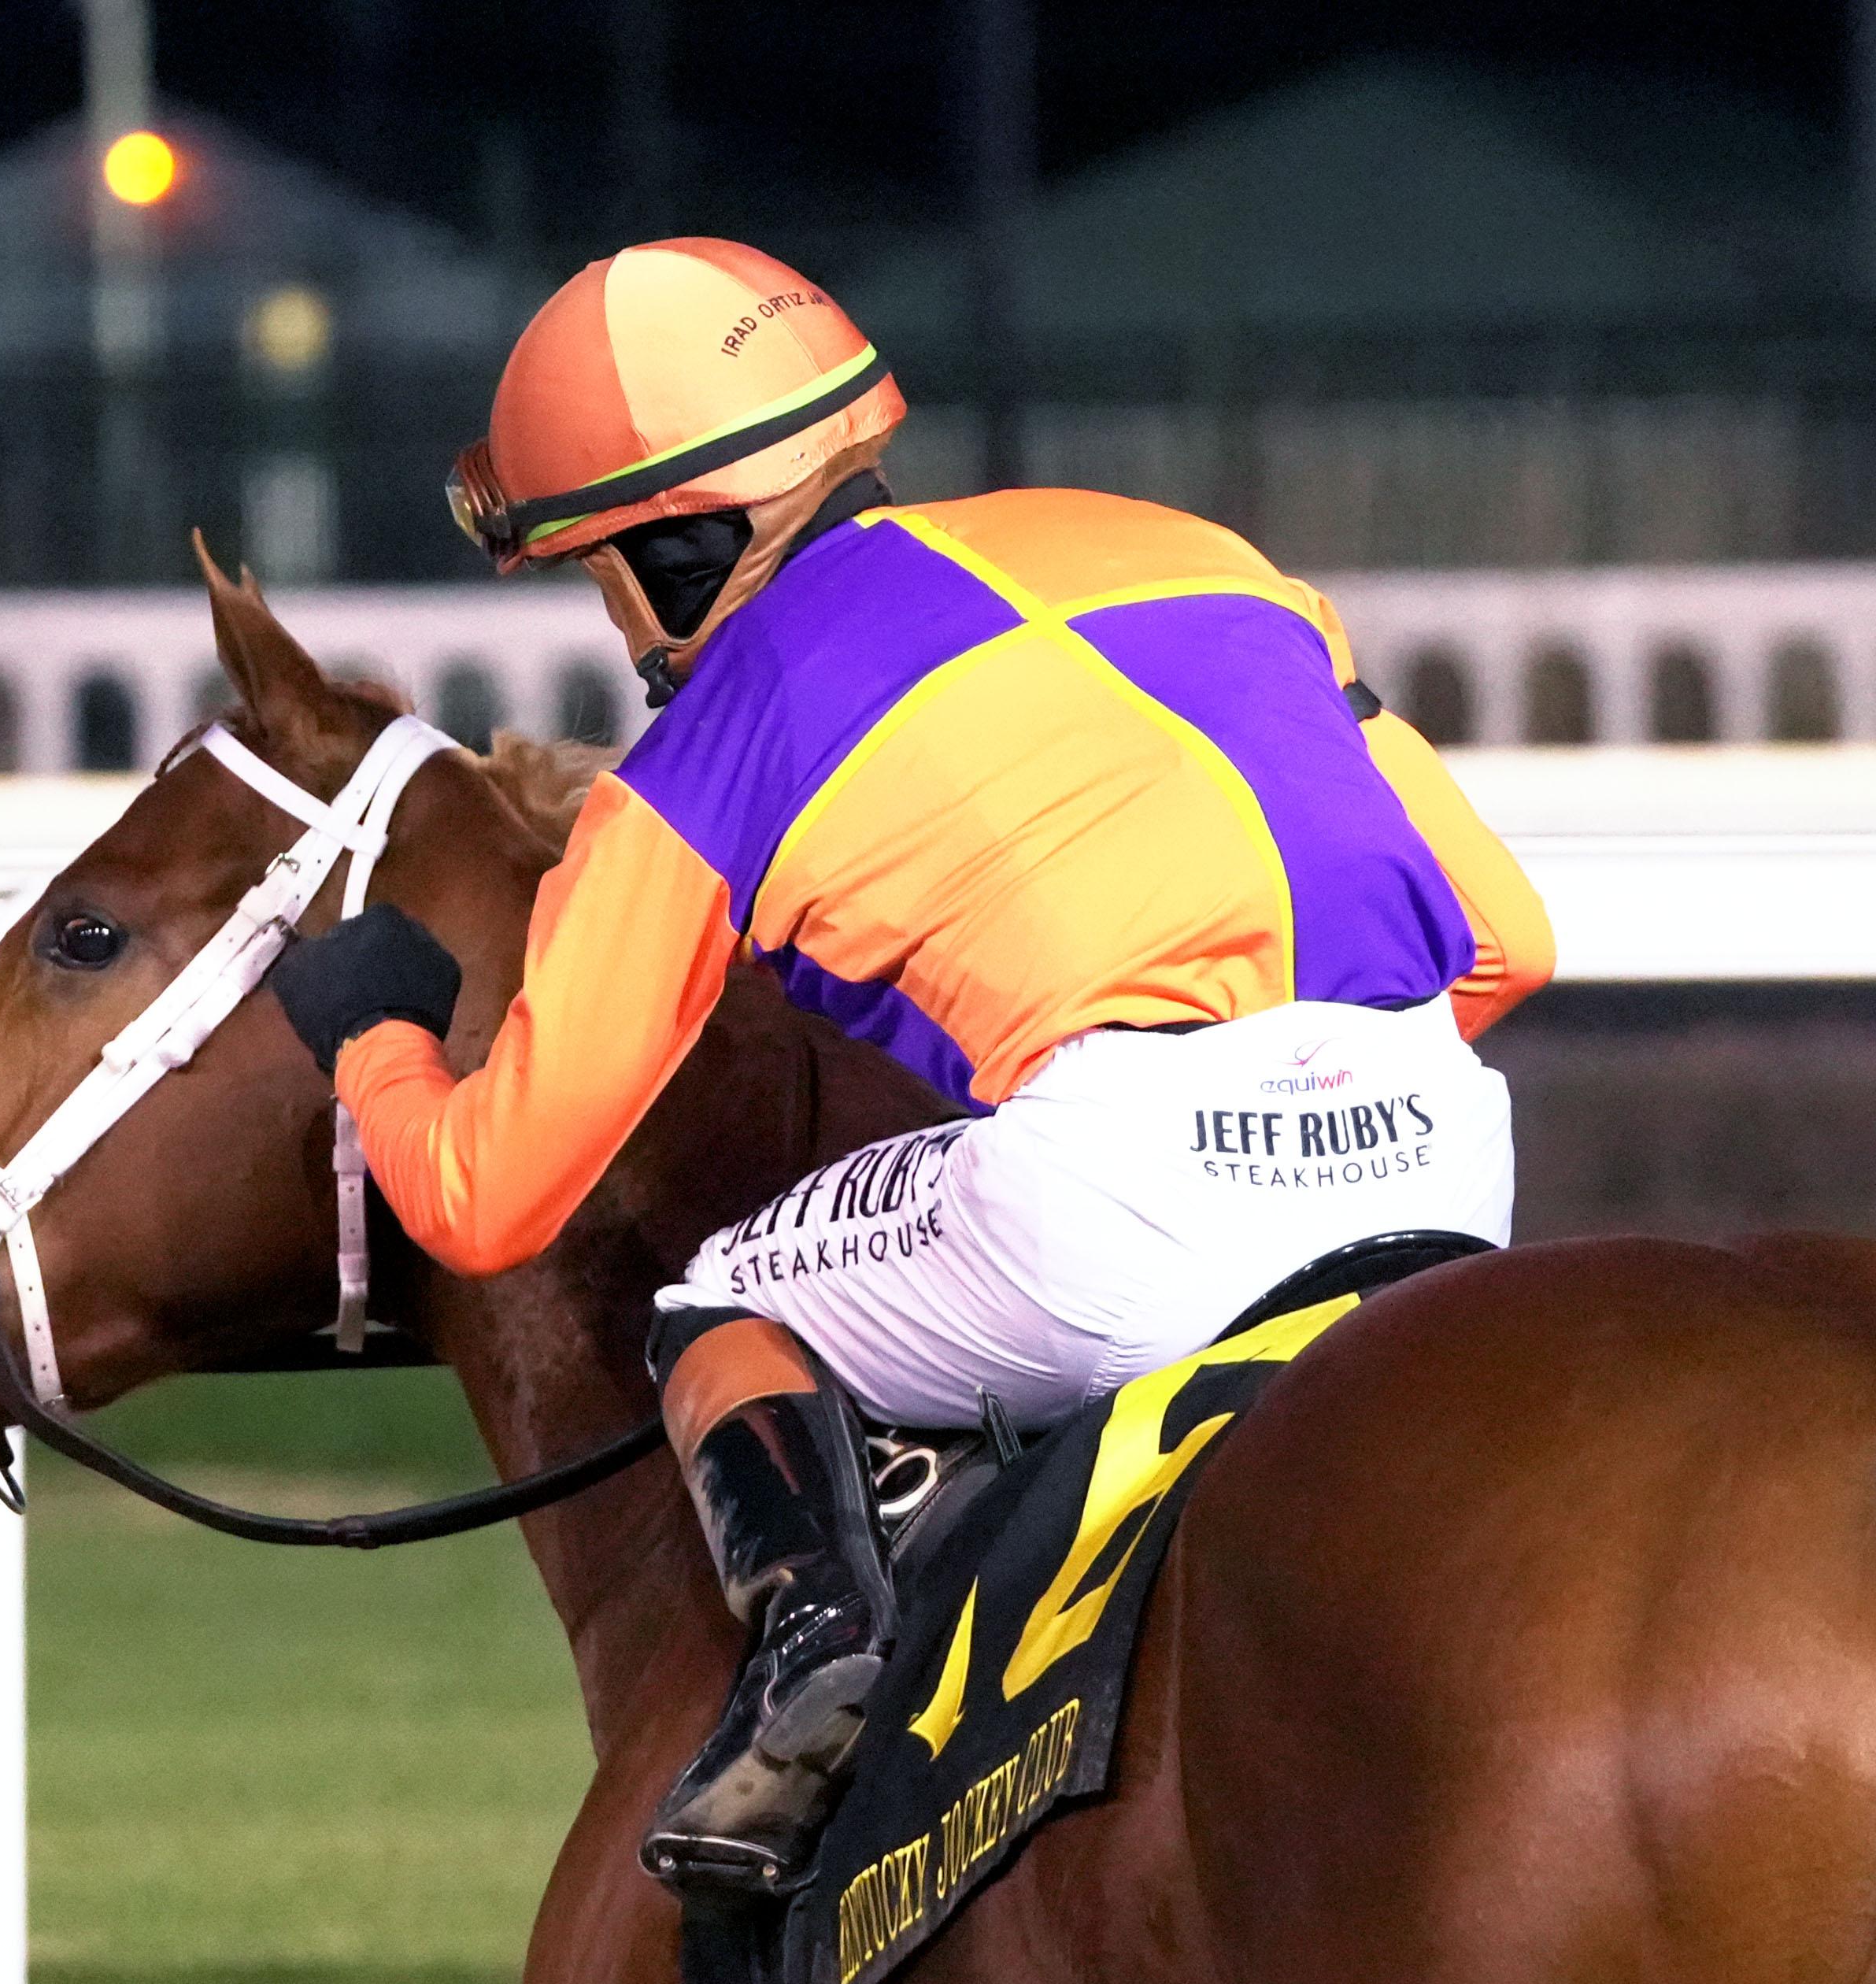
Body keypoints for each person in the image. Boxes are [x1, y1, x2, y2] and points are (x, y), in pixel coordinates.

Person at [271, 238, 1553, 1895]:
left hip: (1118, 1211)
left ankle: (814, 1653)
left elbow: (485, 1199)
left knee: (721, 1297)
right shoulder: (1203, 555)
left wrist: (377, 1041)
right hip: (1441, 1153)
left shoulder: (706, 747)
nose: (619, 625)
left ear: (668, 551)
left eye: (598, 576)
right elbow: (1507, 942)